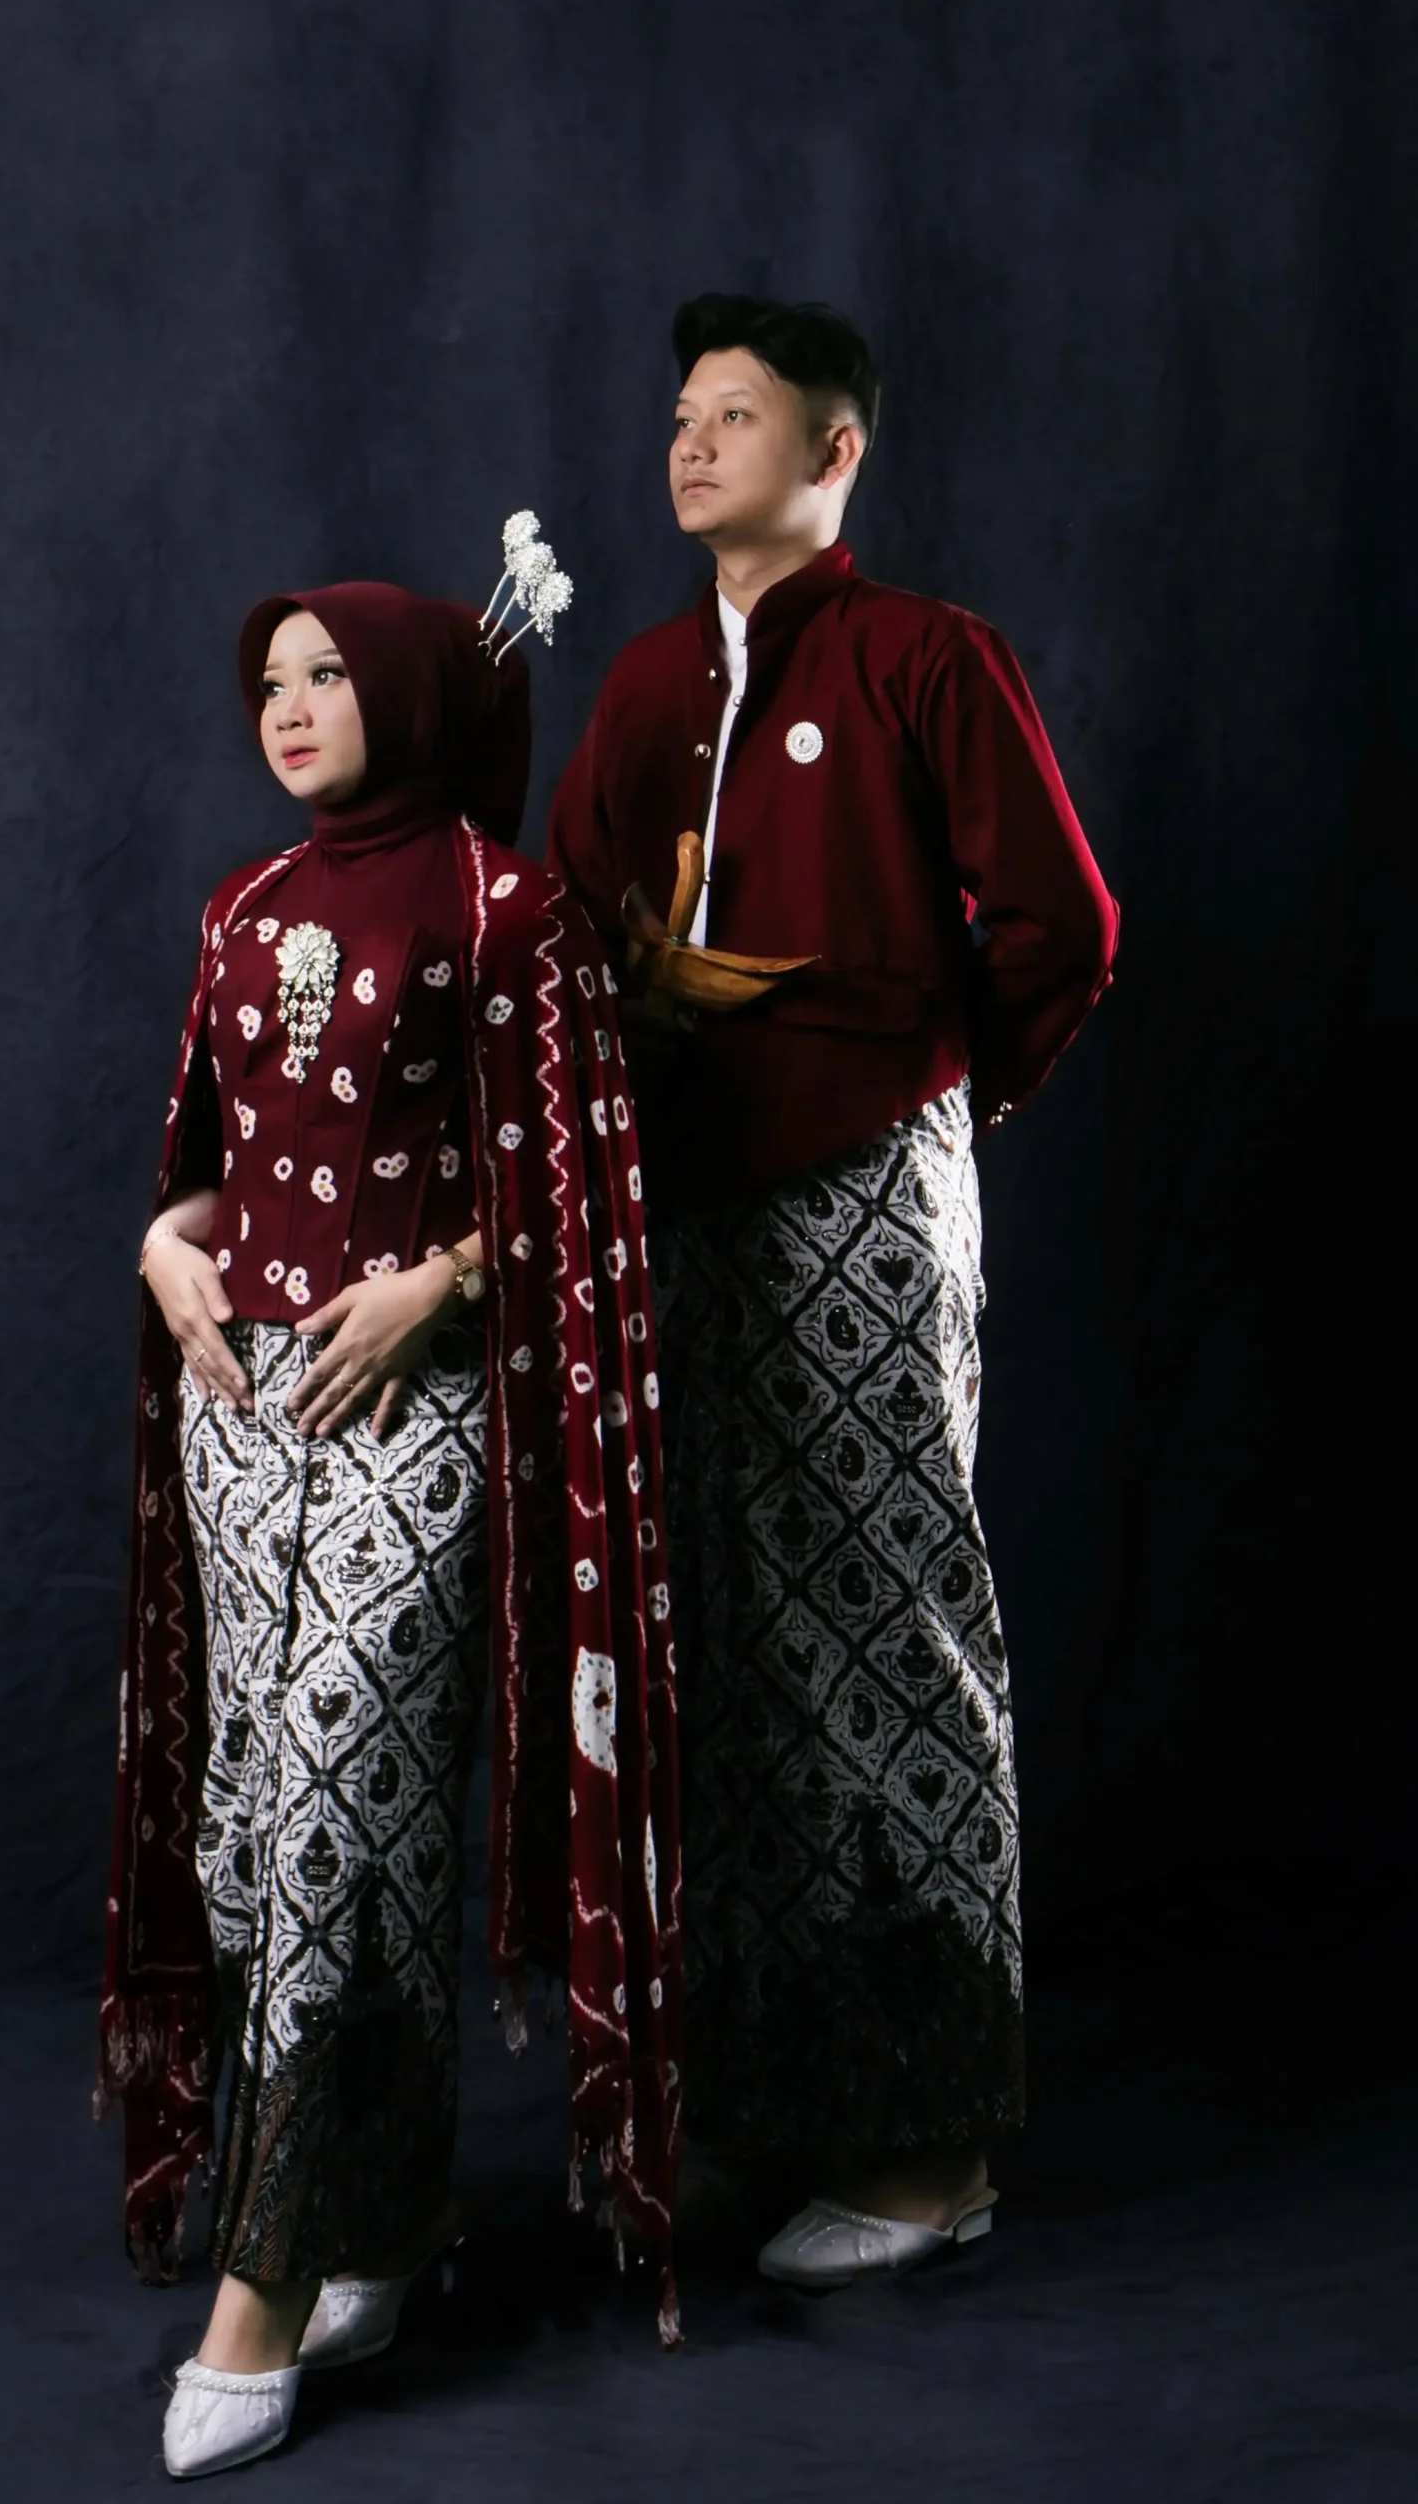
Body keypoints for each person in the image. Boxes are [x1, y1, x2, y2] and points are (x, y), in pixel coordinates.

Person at [547, 293, 1118, 2289]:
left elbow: (1061, 925)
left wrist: (922, 1097)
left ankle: (931, 2140)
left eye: (736, 413)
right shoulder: (641, 684)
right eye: (679, 414)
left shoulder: (919, 658)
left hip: (865, 1187)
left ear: (835, 449)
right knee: (717, 1640)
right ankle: (770, 2100)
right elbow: (569, 935)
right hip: (677, 1211)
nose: (693, 442)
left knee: (888, 1616)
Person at [99, 579, 683, 2480]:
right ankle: (394, 2207)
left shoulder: (506, 910)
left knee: (343, 1810)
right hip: (240, 1414)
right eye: (266, 679)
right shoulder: (240, 907)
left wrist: (445, 1281)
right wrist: (162, 1249)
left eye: (327, 674)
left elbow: (593, 1182)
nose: (286, 705)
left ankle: (261, 2283)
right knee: (250, 1834)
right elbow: (223, 1171)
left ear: (416, 693)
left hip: (414, 1418)